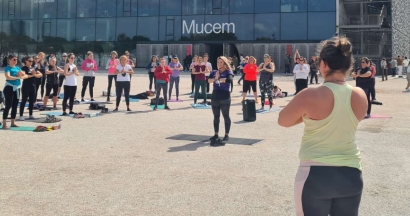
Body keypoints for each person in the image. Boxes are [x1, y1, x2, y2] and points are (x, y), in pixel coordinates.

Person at [278, 36, 367, 216]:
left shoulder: (310, 94)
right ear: (348, 64)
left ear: (324, 64)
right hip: (351, 173)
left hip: (316, 175)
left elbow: (283, 120)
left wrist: (308, 116)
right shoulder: (360, 95)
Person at [208, 56, 234, 146]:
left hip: (225, 96)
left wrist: (220, 79)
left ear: (225, 63)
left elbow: (229, 80)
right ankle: (216, 134)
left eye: (221, 62)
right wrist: (216, 78)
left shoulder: (228, 72)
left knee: (226, 115)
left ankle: (226, 134)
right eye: (218, 62)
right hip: (215, 96)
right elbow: (208, 81)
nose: (219, 64)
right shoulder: (214, 72)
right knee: (216, 116)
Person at [2, 55, 28, 129]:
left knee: (15, 106)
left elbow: (25, 75)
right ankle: (4, 123)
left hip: (17, 88)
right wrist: (18, 77)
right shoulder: (8, 68)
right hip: (9, 88)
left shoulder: (17, 68)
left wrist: (21, 76)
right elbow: (8, 77)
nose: (15, 60)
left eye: (16, 59)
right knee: (8, 105)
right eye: (14, 59)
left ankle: (13, 123)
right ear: (9, 60)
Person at [19, 56, 42, 120]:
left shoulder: (33, 68)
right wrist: (32, 75)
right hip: (26, 86)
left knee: (32, 101)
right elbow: (24, 76)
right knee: (24, 100)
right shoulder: (23, 68)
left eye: (32, 61)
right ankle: (21, 115)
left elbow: (40, 74)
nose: (31, 62)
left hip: (33, 86)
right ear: (26, 61)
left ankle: (30, 114)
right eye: (29, 61)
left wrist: (34, 75)